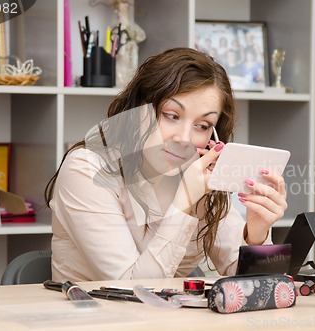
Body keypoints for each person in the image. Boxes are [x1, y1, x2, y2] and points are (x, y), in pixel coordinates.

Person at [45, 47, 288, 281]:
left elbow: (251, 283)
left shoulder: (199, 171)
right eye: (171, 116)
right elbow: (132, 288)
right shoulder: (87, 169)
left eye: (202, 126)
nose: (184, 138)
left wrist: (256, 234)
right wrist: (183, 202)